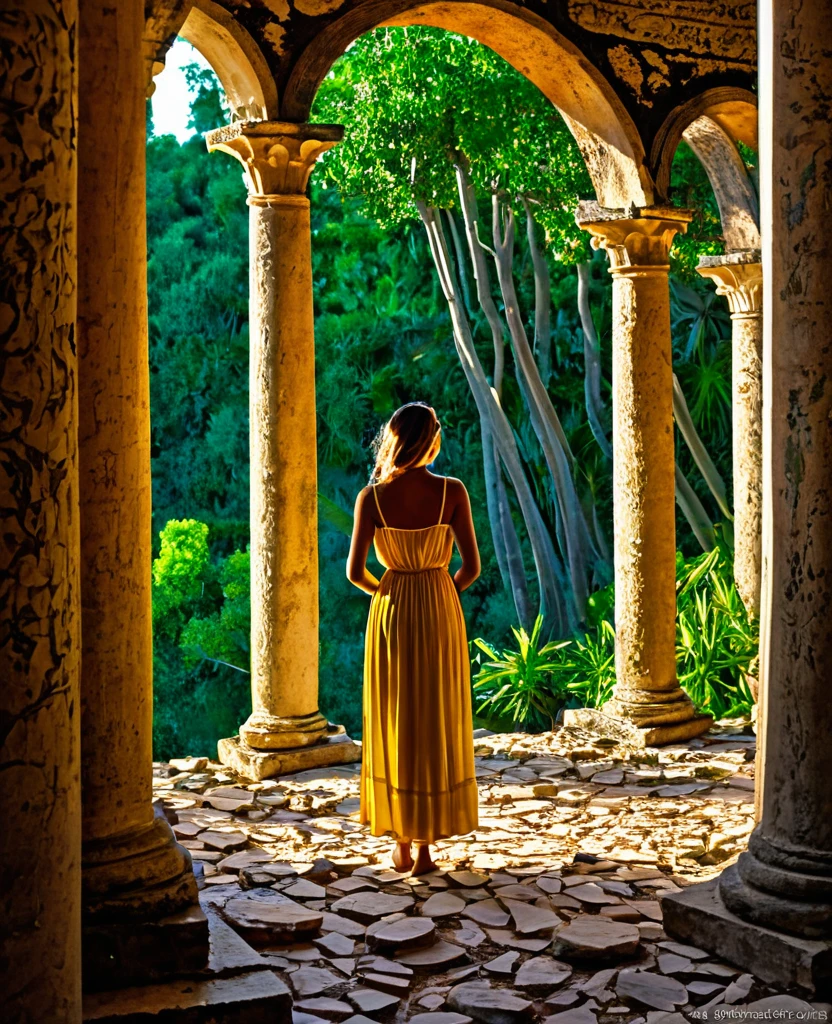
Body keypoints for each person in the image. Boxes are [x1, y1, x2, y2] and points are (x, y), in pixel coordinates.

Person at [346, 402, 481, 875]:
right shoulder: (452, 491)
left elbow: (354, 571)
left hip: (392, 612)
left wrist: (388, 591)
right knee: (435, 716)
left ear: (394, 439)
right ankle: (427, 847)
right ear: (431, 439)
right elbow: (472, 567)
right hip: (440, 609)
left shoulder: (372, 498)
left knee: (397, 718)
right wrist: (441, 589)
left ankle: (400, 839)